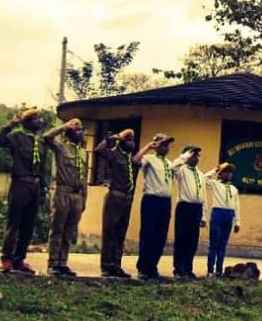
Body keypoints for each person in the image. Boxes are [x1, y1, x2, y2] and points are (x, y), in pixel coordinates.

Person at [0, 108, 50, 275]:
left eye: (40, 119)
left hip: (35, 186)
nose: (40, 122)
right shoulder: (16, 137)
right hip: (20, 184)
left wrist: (43, 189)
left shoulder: (40, 142)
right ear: (27, 122)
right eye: (36, 119)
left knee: (28, 225)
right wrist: (12, 124)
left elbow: (42, 167)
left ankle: (19, 259)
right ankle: (7, 259)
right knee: (14, 223)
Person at [133, 133, 186, 281]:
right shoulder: (149, 159)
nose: (166, 147)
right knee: (148, 234)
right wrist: (148, 147)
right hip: (151, 200)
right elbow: (135, 160)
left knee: (160, 236)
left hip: (165, 202)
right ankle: (143, 268)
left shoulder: (169, 163)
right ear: (156, 145)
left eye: (167, 145)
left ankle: (152, 266)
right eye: (163, 144)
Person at [42, 117, 89, 278]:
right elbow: (47, 137)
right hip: (62, 191)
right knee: (58, 228)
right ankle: (53, 263)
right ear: (69, 133)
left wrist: (84, 199)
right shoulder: (61, 147)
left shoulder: (83, 152)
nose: (81, 132)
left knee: (69, 230)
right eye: (77, 130)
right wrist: (64, 126)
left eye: (82, 129)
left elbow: (84, 178)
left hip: (77, 194)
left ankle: (63, 263)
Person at [93, 128, 140, 279]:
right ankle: (106, 266)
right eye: (128, 139)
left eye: (133, 139)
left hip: (127, 200)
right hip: (115, 197)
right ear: (122, 141)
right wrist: (115, 137)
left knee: (120, 234)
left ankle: (116, 265)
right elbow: (99, 150)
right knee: (110, 233)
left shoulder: (130, 159)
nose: (131, 143)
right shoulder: (114, 154)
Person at [172, 144, 205, 279]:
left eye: (197, 155)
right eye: (193, 155)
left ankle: (188, 268)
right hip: (184, 207)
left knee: (193, 241)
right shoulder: (182, 170)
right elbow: (172, 167)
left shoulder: (200, 174)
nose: (195, 158)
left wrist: (203, 216)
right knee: (181, 239)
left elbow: (203, 196)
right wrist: (184, 157)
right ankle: (178, 269)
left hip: (196, 209)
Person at [205, 162, 241, 276]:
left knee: (223, 245)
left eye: (230, 172)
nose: (229, 174)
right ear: (221, 174)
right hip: (218, 213)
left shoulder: (234, 189)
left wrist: (237, 222)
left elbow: (236, 205)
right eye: (226, 171)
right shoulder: (215, 184)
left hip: (229, 215)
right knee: (214, 243)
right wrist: (216, 169)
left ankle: (219, 270)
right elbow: (204, 179)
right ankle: (210, 270)